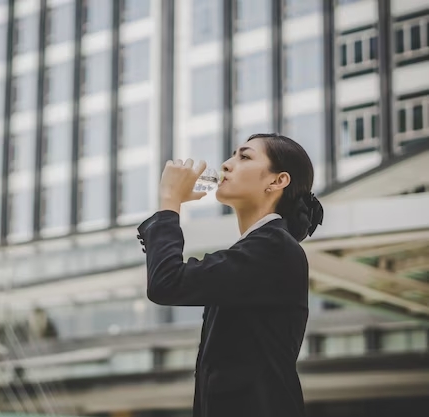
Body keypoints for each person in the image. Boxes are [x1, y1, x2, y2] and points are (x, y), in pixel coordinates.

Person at [136, 133, 324, 417]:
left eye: (244, 156)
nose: (226, 164)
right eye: (232, 155)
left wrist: (170, 200)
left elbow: (166, 282)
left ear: (277, 181)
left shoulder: (272, 247)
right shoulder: (261, 248)